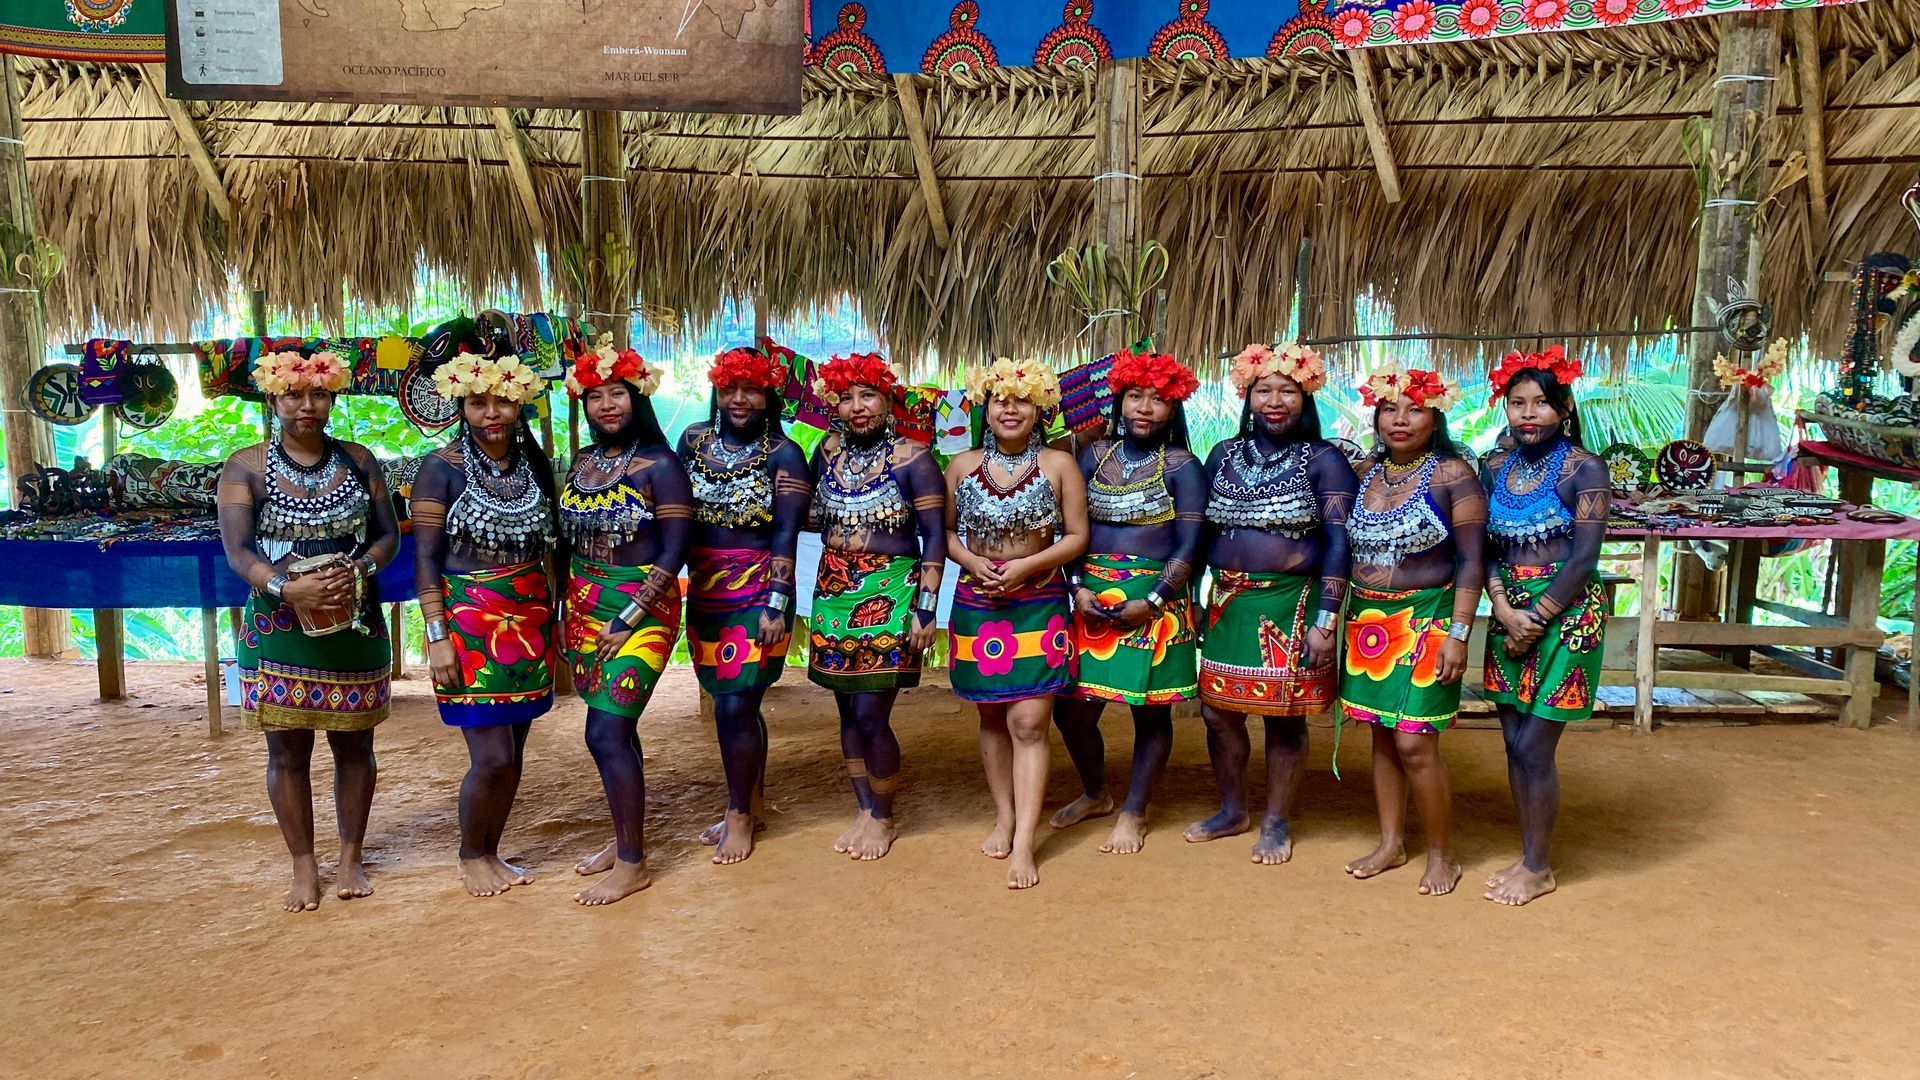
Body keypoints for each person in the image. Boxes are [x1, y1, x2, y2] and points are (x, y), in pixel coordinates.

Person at [217, 348, 397, 912]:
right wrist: (283, 588)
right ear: (273, 399)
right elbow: (237, 550)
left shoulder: (361, 461)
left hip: (353, 623)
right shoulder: (244, 466)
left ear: (333, 398)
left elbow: (387, 537)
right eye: (293, 395)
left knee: (355, 746)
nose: (306, 406)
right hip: (278, 626)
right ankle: (302, 865)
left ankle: (349, 856)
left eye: (318, 394)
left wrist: (358, 570)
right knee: (287, 753)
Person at [1185, 343, 1356, 865]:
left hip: (1293, 604)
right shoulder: (1221, 455)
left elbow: (1338, 543)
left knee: (1283, 718)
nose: (1275, 401)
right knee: (1218, 713)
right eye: (1265, 391)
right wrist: (1191, 596)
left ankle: (1277, 819)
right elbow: (1200, 532)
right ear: (1248, 395)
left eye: (1288, 391)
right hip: (1228, 601)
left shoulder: (1326, 460)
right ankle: (1233, 809)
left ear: (1305, 398)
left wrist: (1326, 620)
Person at [412, 349, 558, 899]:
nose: (490, 413)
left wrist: (559, 615)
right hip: (469, 624)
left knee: (514, 750)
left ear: (519, 404)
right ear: (461, 406)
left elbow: (552, 550)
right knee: (491, 755)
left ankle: (492, 848)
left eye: (501, 402)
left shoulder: (534, 466)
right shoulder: (441, 467)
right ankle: (471, 853)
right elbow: (425, 558)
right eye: (477, 403)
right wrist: (437, 637)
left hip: (528, 618)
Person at [1051, 348, 1206, 855]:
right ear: (1119, 401)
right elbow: (1067, 528)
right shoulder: (1092, 456)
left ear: (1174, 408)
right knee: (1072, 710)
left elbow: (1189, 544)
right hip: (1091, 597)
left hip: (1155, 599)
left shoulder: (1184, 466)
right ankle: (1096, 793)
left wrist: (1158, 600)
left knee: (1150, 711)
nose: (1144, 408)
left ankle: (1134, 812)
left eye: (1158, 400)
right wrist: (1077, 587)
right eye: (1135, 397)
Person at [1339, 365, 1485, 896]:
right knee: (1382, 734)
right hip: (1369, 622)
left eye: (1415, 408)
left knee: (1414, 741)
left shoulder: (1453, 476)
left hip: (1429, 619)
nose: (1400, 419)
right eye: (1389, 408)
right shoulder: (1361, 474)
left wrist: (1460, 633)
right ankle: (1391, 842)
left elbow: (1472, 561)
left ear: (1436, 415)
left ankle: (1443, 854)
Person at [943, 359, 1089, 889]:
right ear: (985, 406)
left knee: (1029, 722)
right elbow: (949, 534)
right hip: (978, 604)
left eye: (1021, 400)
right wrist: (971, 561)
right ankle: (1003, 814)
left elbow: (1076, 537)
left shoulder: (1059, 465)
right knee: (991, 719)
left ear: (1039, 409)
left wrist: (1028, 565)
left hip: (1037, 601)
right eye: (1000, 399)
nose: (1010, 408)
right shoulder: (960, 465)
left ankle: (1025, 840)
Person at [558, 338, 690, 904]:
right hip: (584, 603)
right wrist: (566, 607)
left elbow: (676, 547)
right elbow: (567, 543)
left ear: (638, 399)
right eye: (596, 396)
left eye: (618, 393)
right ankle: (623, 839)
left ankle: (633, 862)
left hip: (643, 607)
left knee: (604, 730)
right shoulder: (581, 463)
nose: (607, 405)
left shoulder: (661, 466)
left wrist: (632, 615)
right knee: (619, 727)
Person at [1479, 345, 1610, 906]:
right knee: (1512, 742)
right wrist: (1504, 607)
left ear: (1564, 407)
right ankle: (1530, 854)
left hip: (1569, 611)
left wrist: (1536, 618)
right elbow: (1479, 544)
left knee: (1535, 746)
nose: (1528, 413)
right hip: (1508, 607)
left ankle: (1539, 866)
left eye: (1541, 403)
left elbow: (1584, 558)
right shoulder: (1493, 467)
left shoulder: (1586, 469)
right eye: (1517, 403)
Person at [807, 352, 946, 861]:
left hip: (891, 595)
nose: (857, 407)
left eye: (868, 396)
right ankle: (864, 806)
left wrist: (925, 608)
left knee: (871, 712)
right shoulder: (825, 453)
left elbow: (933, 538)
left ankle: (885, 816)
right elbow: (810, 515)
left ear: (888, 401)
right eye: (846, 398)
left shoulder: (915, 459)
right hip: (833, 593)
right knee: (845, 707)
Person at [678, 345, 809, 865]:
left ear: (768, 394)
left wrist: (776, 604)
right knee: (735, 703)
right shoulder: (691, 440)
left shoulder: (785, 453)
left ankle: (737, 814)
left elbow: (786, 534)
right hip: (706, 590)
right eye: (730, 388)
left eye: (751, 389)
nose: (738, 399)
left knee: (736, 704)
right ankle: (750, 801)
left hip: (759, 593)